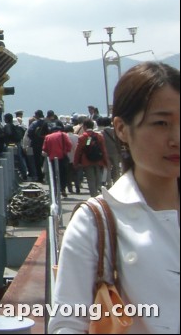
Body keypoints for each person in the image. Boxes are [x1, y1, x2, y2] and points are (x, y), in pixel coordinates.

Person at [50, 61, 179, 334]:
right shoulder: (95, 222)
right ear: (121, 129)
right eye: (161, 123)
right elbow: (68, 323)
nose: (176, 137)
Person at [73, 118, 110, 197]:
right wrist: (106, 162)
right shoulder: (99, 136)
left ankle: (94, 196)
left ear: (85, 126)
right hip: (98, 160)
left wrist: (76, 163)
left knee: (91, 179)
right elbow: (103, 150)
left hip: (87, 161)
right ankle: (97, 192)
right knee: (98, 178)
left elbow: (78, 151)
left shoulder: (83, 137)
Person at [42, 122, 72, 197]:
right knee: (63, 174)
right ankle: (63, 189)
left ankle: (54, 190)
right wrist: (66, 150)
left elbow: (45, 149)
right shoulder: (63, 135)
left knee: (53, 174)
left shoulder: (47, 137)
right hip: (62, 157)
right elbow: (69, 145)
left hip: (52, 159)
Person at [98, 116, 122, 186]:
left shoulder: (101, 133)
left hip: (105, 153)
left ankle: (108, 183)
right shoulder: (115, 131)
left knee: (107, 168)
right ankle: (116, 182)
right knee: (116, 168)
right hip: (115, 152)